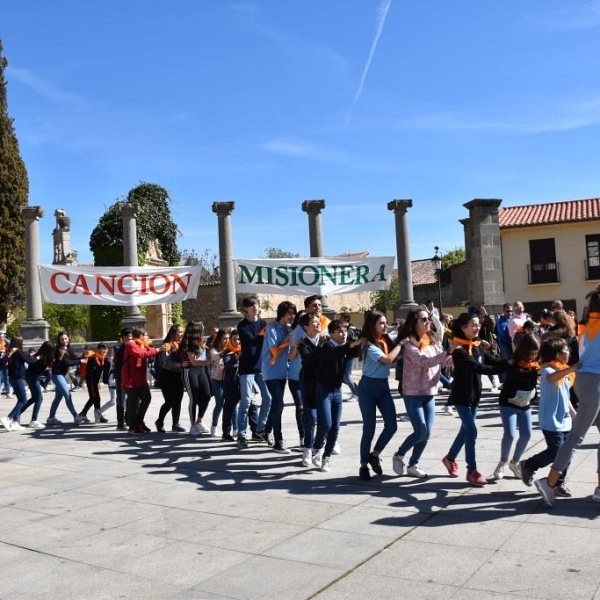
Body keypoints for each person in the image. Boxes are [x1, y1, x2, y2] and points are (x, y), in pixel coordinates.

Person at [533, 286, 600, 507]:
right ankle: (550, 482)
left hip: (585, 380)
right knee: (576, 437)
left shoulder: (587, 323)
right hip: (594, 384)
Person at [441, 312, 507, 486]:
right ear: (463, 328)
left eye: (478, 325)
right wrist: (500, 369)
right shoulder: (459, 351)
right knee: (471, 431)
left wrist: (508, 362)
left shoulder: (477, 345)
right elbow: (477, 367)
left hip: (475, 395)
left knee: (465, 431)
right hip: (461, 396)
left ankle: (449, 458)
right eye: (474, 325)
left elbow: (489, 359)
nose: (478, 328)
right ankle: (472, 471)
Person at [392, 309, 453, 478]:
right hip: (412, 392)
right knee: (421, 431)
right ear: (415, 323)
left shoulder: (431, 340)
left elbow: (443, 361)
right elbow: (423, 362)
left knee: (427, 432)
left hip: (429, 391)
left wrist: (459, 357)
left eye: (429, 319)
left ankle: (413, 465)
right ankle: (399, 454)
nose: (428, 322)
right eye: (424, 319)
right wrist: (445, 354)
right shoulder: (409, 344)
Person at [517, 337, 577, 500]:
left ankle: (558, 483)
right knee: (556, 451)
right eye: (565, 351)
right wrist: (573, 368)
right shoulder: (548, 370)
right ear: (557, 354)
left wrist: (573, 414)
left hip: (564, 420)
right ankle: (529, 465)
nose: (568, 353)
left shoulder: (564, 371)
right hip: (550, 420)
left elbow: (565, 396)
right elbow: (553, 378)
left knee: (568, 452)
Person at [357, 310, 403, 481]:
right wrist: (400, 345)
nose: (385, 326)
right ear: (372, 325)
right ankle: (363, 465)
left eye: (385, 322)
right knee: (369, 428)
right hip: (368, 387)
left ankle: (374, 454)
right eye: (381, 323)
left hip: (383, 387)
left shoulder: (386, 341)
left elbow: (396, 357)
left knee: (392, 425)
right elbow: (387, 359)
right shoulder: (369, 345)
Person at [311, 319, 363, 472]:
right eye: (340, 331)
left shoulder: (344, 347)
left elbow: (356, 352)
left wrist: (360, 341)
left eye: (345, 331)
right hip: (324, 390)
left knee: (335, 427)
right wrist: (351, 344)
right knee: (326, 423)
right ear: (331, 333)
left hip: (337, 391)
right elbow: (335, 354)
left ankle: (326, 457)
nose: (344, 334)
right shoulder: (326, 347)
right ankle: (317, 447)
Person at [493, 334, 541, 480]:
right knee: (510, 434)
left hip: (524, 403)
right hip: (509, 402)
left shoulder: (536, 364)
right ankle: (503, 462)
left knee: (526, 434)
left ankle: (515, 462)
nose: (534, 355)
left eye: (537, 351)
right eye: (532, 352)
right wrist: (536, 373)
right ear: (524, 350)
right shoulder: (514, 363)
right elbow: (519, 376)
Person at [236, 296, 272, 449]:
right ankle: (241, 435)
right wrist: (263, 334)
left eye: (256, 305)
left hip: (261, 368)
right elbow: (251, 342)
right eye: (251, 306)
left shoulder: (263, 323)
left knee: (268, 398)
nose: (254, 307)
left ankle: (260, 428)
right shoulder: (242, 326)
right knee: (246, 402)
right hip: (247, 369)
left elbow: (267, 341)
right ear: (246, 309)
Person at [262, 301, 297, 454]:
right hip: (270, 372)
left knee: (277, 405)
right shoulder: (271, 329)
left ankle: (266, 429)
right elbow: (274, 351)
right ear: (282, 313)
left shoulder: (289, 329)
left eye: (293, 313)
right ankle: (278, 440)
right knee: (279, 404)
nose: (292, 316)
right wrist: (288, 341)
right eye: (289, 313)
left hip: (283, 372)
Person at [292, 313, 325, 465]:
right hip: (308, 383)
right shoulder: (302, 343)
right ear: (306, 327)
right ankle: (307, 448)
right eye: (314, 323)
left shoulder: (326, 341)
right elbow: (308, 359)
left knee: (325, 419)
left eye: (319, 322)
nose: (318, 324)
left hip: (325, 383)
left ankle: (320, 448)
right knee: (310, 416)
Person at [122, 327, 159, 434]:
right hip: (131, 379)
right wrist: (156, 350)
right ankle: (132, 426)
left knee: (147, 398)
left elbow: (148, 351)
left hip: (141, 379)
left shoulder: (143, 345)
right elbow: (141, 354)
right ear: (141, 336)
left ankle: (139, 422)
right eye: (146, 335)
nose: (147, 337)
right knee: (132, 403)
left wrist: (156, 350)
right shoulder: (131, 344)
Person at [181, 320, 212, 436]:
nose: (204, 327)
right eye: (201, 326)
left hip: (201, 370)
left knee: (207, 395)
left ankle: (199, 421)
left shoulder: (201, 341)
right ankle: (192, 425)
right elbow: (193, 361)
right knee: (193, 397)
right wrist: (209, 361)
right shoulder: (189, 342)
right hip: (190, 371)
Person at [0, 336, 38, 431]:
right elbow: (30, 361)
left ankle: (15, 422)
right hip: (17, 378)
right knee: (23, 400)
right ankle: (8, 418)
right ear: (20, 342)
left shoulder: (9, 351)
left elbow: (2, 362)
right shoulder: (18, 352)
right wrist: (37, 357)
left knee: (20, 399)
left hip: (12, 378)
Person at [46, 332, 84, 426]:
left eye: (66, 339)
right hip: (57, 375)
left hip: (61, 375)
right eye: (62, 339)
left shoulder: (69, 348)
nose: (64, 341)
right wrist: (80, 361)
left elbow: (74, 357)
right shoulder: (59, 349)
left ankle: (51, 418)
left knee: (58, 398)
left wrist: (84, 356)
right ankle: (75, 416)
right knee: (68, 395)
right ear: (59, 340)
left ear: (68, 339)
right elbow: (67, 363)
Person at [155, 324, 186, 433]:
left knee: (178, 401)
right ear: (173, 333)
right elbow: (166, 363)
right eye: (180, 332)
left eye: (182, 332)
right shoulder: (166, 346)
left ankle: (175, 424)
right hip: (167, 376)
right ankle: (159, 421)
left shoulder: (181, 345)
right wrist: (180, 364)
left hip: (178, 375)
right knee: (170, 401)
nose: (182, 334)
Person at [17, 341, 55, 429]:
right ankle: (33, 420)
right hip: (32, 377)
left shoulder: (40, 356)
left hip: (32, 376)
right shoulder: (42, 358)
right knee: (39, 398)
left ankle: (17, 413)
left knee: (34, 398)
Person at [287, 310, 307, 447]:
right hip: (295, 377)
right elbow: (291, 356)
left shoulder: (315, 333)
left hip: (310, 378)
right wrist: (297, 344)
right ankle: (303, 436)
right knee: (300, 407)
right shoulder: (294, 334)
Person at [208, 329, 230, 437]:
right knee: (220, 403)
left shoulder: (230, 349)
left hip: (228, 380)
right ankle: (214, 426)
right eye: (224, 339)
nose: (226, 341)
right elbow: (216, 358)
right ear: (220, 340)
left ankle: (233, 427)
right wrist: (225, 352)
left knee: (231, 404)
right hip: (217, 379)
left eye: (228, 339)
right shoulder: (213, 350)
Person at [112, 327, 133, 431]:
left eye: (131, 336)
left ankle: (127, 419)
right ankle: (120, 423)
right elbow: (118, 364)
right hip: (121, 377)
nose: (130, 339)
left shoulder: (132, 347)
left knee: (132, 399)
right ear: (123, 338)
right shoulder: (119, 349)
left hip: (130, 377)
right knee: (121, 400)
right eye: (128, 337)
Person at [340, 313, 360, 402]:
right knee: (343, 377)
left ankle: (356, 394)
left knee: (347, 376)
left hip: (350, 355)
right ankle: (357, 390)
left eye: (341, 318)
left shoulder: (350, 329)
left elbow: (350, 341)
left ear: (346, 319)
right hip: (346, 354)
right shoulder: (345, 329)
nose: (339, 319)